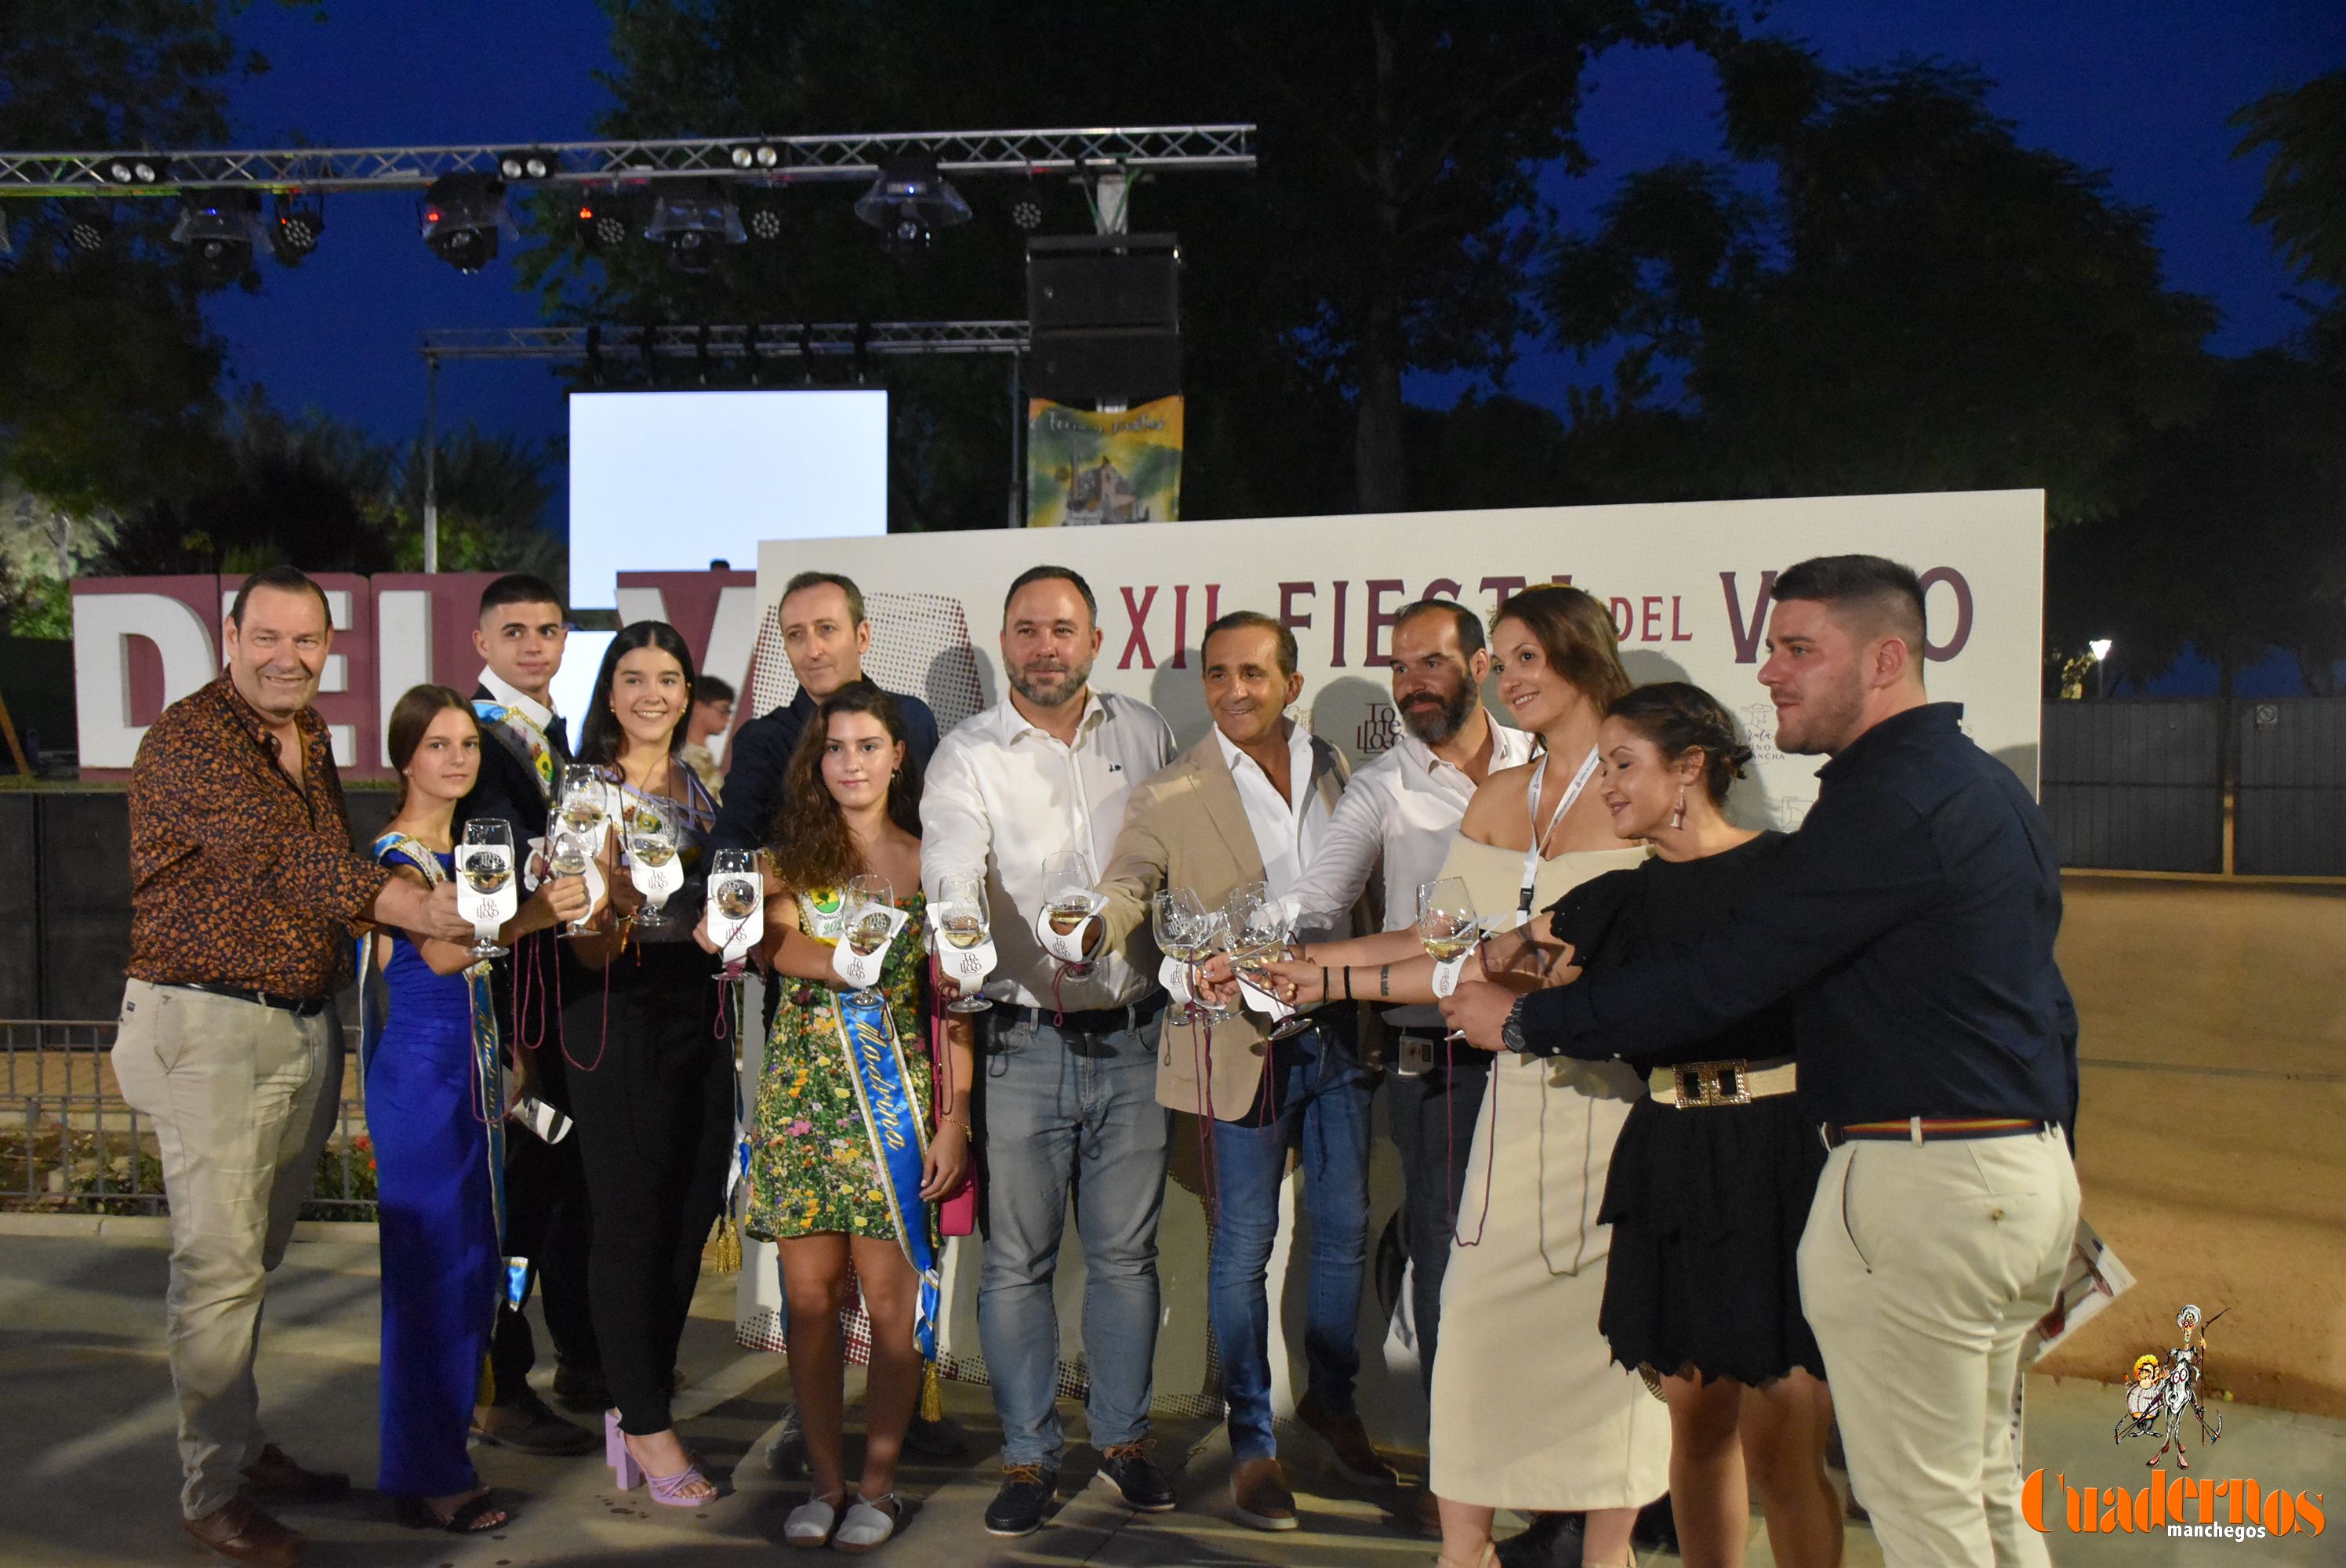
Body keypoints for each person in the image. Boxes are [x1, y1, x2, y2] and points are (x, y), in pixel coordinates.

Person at [1443, 556, 2082, 1568]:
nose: (1770, 673)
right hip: (2013, 1180)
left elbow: (1727, 975)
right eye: (1771, 647)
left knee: (1928, 1516)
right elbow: (2053, 1009)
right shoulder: (1980, 786)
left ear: (1883, 659)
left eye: (1797, 650)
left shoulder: (1886, 806)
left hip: (1928, 1188)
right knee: (1983, 1503)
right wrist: (2054, 1181)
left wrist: (1524, 1027)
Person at [1262, 585, 1669, 1568]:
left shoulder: (1637, 783)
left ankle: (1599, 1540)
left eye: (1530, 658)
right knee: (1472, 1321)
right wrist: (1311, 971)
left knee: (1610, 1336)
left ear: (1581, 656)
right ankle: (1474, 1545)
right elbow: (1445, 947)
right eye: (1508, 660)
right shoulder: (1498, 800)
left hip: (1615, 1106)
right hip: (1507, 1109)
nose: (1513, 677)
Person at [115, 566, 476, 1568]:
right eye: (266, 637)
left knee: (251, 1261)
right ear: (229, 637)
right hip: (206, 1030)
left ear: (329, 646)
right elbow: (295, 864)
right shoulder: (191, 740)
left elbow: (317, 879)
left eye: (307, 640)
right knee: (221, 1267)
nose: (287, 656)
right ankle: (212, 1489)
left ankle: (240, 1441)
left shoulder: (308, 735)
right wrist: (418, 905)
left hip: (294, 1024)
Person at [1476, 683, 1840, 1568]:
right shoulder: (1617, 901)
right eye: (1601, 765)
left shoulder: (1788, 874)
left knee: (1783, 1445)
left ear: (1691, 769)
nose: (1603, 784)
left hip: (1776, 1159)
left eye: (1621, 763)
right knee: (1698, 1430)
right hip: (1672, 1156)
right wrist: (1314, 973)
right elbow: (1467, 954)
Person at [1094, 611, 1382, 1532]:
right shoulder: (1171, 789)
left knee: (1342, 1231)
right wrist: (1172, 965)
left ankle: (1332, 1401)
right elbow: (1129, 890)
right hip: (1235, 1044)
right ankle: (1252, 1437)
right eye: (1218, 674)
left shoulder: (1341, 768)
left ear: (1290, 682)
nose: (1234, 689)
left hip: (1341, 1035)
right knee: (1243, 1245)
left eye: (1254, 672)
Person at [919, 565, 1178, 1537]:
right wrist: (952, 920)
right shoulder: (968, 751)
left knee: (1125, 1257)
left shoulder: (1145, 732)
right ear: (1003, 640)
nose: (1043, 646)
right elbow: (950, 851)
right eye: (1026, 629)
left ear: (1095, 638)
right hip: (1019, 1043)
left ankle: (1121, 1441)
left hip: (1133, 1035)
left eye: (1061, 628)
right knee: (1016, 1265)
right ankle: (1027, 1455)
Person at [1283, 597, 1534, 1502]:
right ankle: (1459, 1480)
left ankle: (1553, 1479)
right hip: (1439, 1070)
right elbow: (1316, 901)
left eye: (1431, 661)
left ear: (1480, 665)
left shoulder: (1543, 763)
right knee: (1446, 1272)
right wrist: (1278, 955)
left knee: (1548, 1269)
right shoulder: (1381, 783)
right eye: (1400, 667)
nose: (1414, 681)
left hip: (1553, 1057)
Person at [740, 686, 975, 1552]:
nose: (851, 762)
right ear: (816, 761)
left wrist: (956, 1120)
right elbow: (772, 944)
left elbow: (955, 1004)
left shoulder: (933, 863)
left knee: (888, 1303)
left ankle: (878, 1483)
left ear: (897, 755)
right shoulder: (786, 861)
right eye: (835, 748)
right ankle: (825, 1480)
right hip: (804, 1098)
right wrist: (844, 961)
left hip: (898, 1101)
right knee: (807, 1301)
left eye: (867, 745)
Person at [364, 686, 593, 1535]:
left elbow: (478, 968)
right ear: (405, 757)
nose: (456, 758)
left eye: (466, 743)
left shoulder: (465, 845)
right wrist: (542, 913)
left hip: (470, 1069)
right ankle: (427, 1472)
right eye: (437, 744)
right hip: (423, 1082)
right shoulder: (398, 854)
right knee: (434, 1280)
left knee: (468, 1277)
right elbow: (440, 945)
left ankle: (432, 1460)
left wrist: (511, 1057)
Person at [564, 622, 732, 1506]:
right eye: (633, 678)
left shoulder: (703, 788)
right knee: (629, 1219)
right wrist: (610, 907)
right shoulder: (588, 790)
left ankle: (646, 1392)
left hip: (698, 1008)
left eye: (668, 678)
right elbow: (582, 947)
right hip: (617, 1011)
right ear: (609, 690)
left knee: (691, 1207)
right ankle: (643, 1418)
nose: (652, 694)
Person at [454, 572, 601, 1457]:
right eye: (514, 631)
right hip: (507, 1010)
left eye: (548, 629)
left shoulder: (557, 737)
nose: (535, 644)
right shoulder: (470, 739)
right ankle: (499, 1387)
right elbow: (489, 881)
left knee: (558, 1197)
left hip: (562, 1004)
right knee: (515, 1206)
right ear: (481, 643)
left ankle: (577, 1358)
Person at [710, 571, 940, 855]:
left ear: (862, 636)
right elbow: (732, 840)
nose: (813, 650)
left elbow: (939, 825)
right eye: (796, 635)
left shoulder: (911, 719)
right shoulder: (763, 739)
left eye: (826, 629)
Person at [680, 674, 735, 800]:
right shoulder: (678, 753)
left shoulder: (704, 757)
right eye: (723, 710)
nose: (728, 719)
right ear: (698, 707)